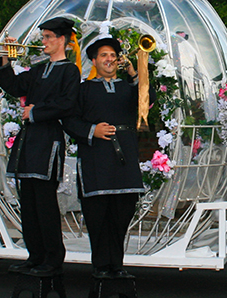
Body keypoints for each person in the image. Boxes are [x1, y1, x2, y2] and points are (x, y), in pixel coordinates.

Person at [63, 37, 156, 279]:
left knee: (122, 213)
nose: (109, 59)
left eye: (113, 54)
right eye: (104, 55)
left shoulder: (128, 87)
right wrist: (92, 130)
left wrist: (133, 71)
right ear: (94, 61)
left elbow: (148, 100)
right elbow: (70, 121)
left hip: (124, 159)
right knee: (97, 216)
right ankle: (101, 266)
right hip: (96, 159)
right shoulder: (83, 89)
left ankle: (117, 265)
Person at [0, 17, 80, 277]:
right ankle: (35, 255)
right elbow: (13, 86)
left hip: (49, 139)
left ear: (61, 40)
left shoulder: (70, 71)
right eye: (42, 37)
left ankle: (53, 259)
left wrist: (35, 111)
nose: (42, 41)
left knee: (45, 203)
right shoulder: (39, 70)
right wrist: (5, 59)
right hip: (29, 141)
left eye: (47, 37)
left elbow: (67, 104)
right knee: (28, 202)